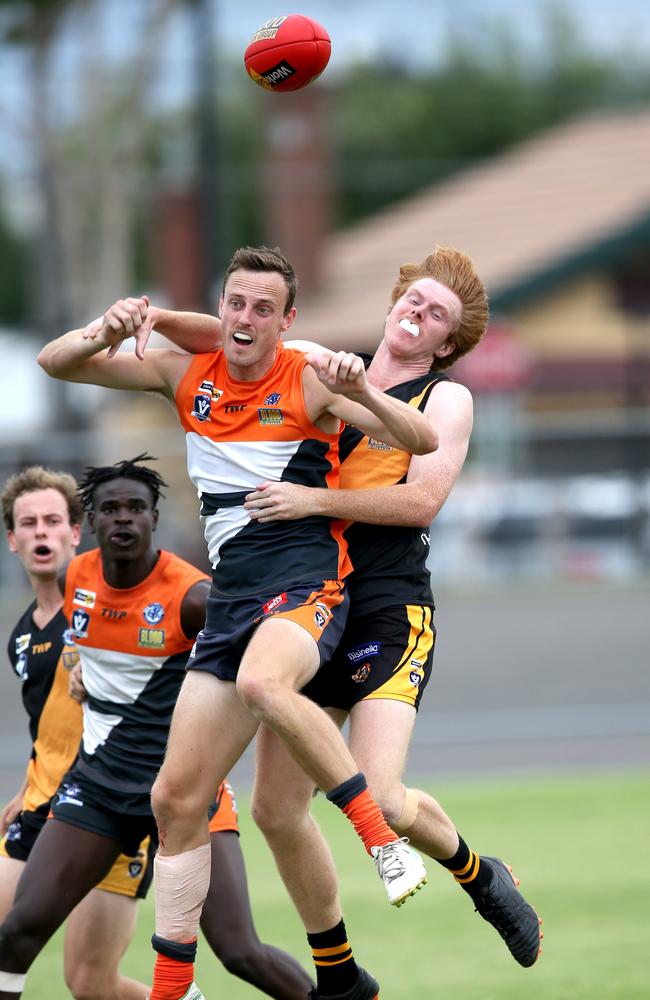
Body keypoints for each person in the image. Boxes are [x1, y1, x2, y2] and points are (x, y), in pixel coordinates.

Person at [102, 245, 543, 972]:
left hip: (386, 608)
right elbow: (228, 333)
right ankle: (338, 970)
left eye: (436, 315)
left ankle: (480, 875)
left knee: (384, 797)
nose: (417, 313)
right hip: (307, 597)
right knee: (276, 810)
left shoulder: (444, 399)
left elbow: (421, 500)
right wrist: (150, 317)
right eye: (413, 299)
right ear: (394, 303)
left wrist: (314, 501)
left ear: (447, 343)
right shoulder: (318, 363)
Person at [36, 245, 440, 1000]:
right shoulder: (185, 373)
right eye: (235, 303)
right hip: (232, 597)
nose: (246, 319)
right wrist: (108, 325)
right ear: (221, 307)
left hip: (305, 582)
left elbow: (420, 442)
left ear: (287, 321)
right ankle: (169, 989)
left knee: (263, 681)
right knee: (174, 800)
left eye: (263, 308)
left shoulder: (310, 377)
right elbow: (56, 363)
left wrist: (369, 393)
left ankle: (382, 843)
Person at [0, 456, 315, 1000]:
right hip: (99, 790)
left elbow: (263, 662)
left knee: (239, 952)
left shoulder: (193, 597)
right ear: (92, 523)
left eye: (136, 509)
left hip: (187, 794)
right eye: (111, 510)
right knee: (17, 935)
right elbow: (90, 660)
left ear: (154, 519)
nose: (124, 520)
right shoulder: (77, 577)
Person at [0, 466, 152, 1000]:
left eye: (52, 521)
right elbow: (49, 723)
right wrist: (25, 790)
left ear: (75, 532)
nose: (41, 532)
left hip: (107, 806)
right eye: (28, 524)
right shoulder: (23, 634)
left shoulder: (111, 608)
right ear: (12, 540)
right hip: (42, 806)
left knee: (90, 983)